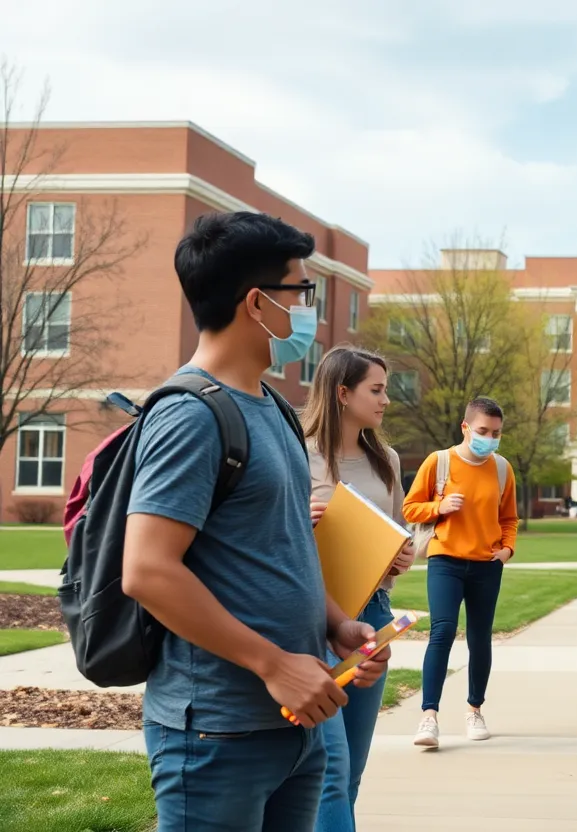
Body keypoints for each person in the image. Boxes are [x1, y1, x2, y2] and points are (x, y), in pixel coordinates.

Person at [122, 212, 388, 830]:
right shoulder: (190, 415)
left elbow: (285, 545)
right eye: (302, 291)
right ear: (257, 303)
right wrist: (274, 664)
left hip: (295, 724)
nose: (308, 311)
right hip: (217, 734)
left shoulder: (274, 408)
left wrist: (337, 627)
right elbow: (147, 570)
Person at [304, 346, 416, 831]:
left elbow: (400, 534)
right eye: (377, 389)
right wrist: (300, 520)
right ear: (343, 393)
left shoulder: (385, 459)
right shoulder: (297, 453)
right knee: (329, 768)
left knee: (351, 771)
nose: (386, 400)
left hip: (373, 616)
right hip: (314, 619)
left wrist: (403, 554)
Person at [404, 397, 519, 749]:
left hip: (487, 565)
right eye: (484, 430)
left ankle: (474, 710)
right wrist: (440, 506)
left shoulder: (502, 469)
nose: (490, 438)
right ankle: (429, 716)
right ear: (465, 428)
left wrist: (507, 550)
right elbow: (410, 508)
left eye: (496, 433)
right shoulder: (438, 462)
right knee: (442, 631)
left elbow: (509, 519)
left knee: (480, 638)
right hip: (445, 561)